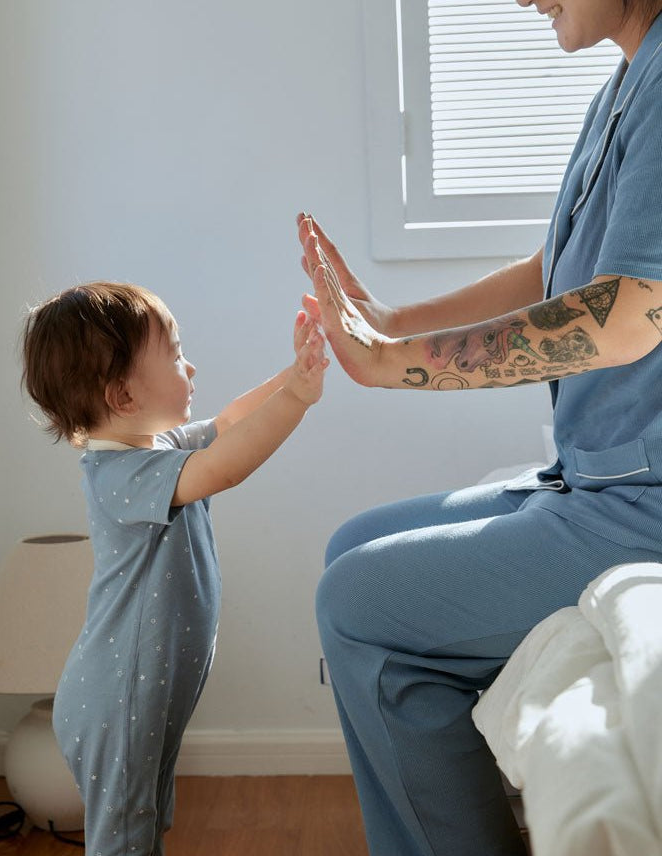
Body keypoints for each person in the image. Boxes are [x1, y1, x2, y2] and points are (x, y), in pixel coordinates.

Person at [297, 0, 662, 854]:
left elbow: (633, 312)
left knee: (353, 606)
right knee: (350, 546)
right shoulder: (624, 82)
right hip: (595, 474)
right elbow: (556, 268)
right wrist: (390, 324)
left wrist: (399, 366)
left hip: (641, 503)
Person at [21, 281, 327, 856]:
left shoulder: (154, 446)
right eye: (176, 355)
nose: (192, 367)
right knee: (124, 841)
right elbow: (223, 468)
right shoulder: (122, 476)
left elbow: (232, 423)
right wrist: (300, 398)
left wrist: (294, 372)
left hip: (143, 694)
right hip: (119, 700)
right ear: (123, 396)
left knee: (145, 826)